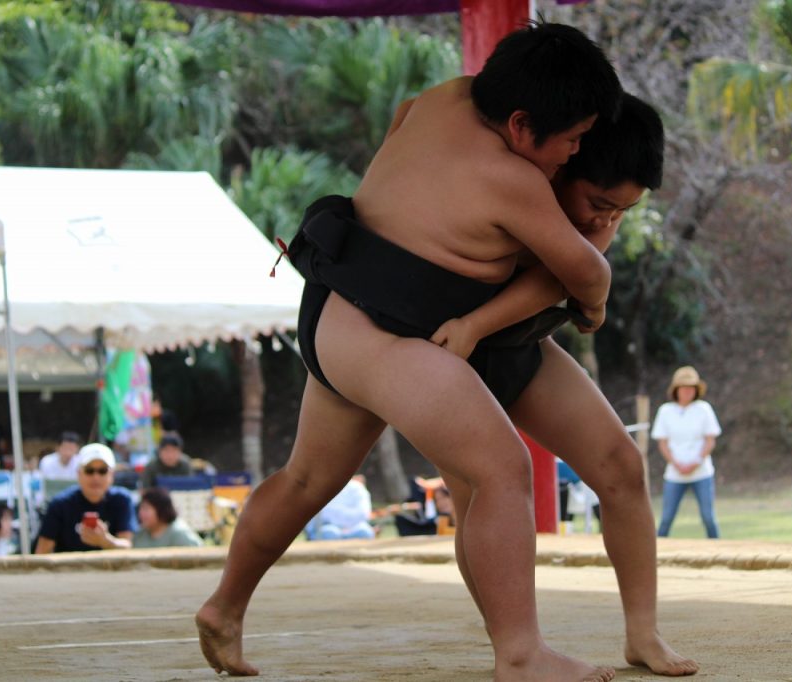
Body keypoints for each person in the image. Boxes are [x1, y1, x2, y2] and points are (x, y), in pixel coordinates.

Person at [197, 23, 694, 678]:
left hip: (479, 329)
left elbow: (556, 265)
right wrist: (592, 306)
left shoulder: (448, 98)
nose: (575, 150)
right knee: (491, 471)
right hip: (378, 322)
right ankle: (520, 655)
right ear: (521, 126)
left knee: (617, 464)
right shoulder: (517, 178)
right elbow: (586, 275)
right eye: (571, 142)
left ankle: (642, 635)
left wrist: (448, 260)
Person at [649, 367, 722, 539]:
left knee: (708, 517)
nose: (687, 391)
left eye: (691, 388)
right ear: (676, 390)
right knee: (666, 518)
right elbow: (663, 443)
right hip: (675, 473)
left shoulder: (703, 409)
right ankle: (657, 549)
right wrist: (676, 463)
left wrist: (696, 461)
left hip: (701, 472)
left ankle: (717, 546)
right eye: (684, 387)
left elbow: (710, 440)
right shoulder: (666, 411)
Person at [35, 443, 135, 553]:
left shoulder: (122, 500)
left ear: (112, 474)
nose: (96, 477)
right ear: (79, 473)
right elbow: (42, 552)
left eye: (102, 471)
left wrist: (105, 541)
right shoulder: (60, 504)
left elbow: (127, 546)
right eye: (89, 470)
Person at [305, 474, 375, 541]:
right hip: (327, 528)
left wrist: (345, 526)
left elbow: (362, 513)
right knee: (331, 533)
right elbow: (321, 514)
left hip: (354, 528)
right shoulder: (321, 487)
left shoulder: (357, 488)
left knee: (365, 532)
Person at [132, 487, 203, 549]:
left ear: (161, 510)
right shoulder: (140, 535)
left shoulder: (180, 534)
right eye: (140, 509)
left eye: (146, 509)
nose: (141, 513)